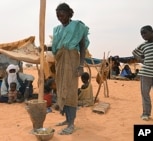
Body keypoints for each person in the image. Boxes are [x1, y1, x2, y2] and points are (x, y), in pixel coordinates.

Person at [52, 3, 89, 135]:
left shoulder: (77, 27)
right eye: (58, 16)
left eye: (62, 15)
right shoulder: (57, 29)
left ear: (69, 13)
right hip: (60, 60)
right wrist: (45, 48)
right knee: (62, 90)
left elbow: (83, 46)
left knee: (71, 91)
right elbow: (55, 47)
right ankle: (67, 120)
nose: (60, 18)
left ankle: (72, 124)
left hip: (72, 59)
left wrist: (80, 65)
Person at [132, 25, 153, 121]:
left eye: (145, 33)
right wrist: (141, 59)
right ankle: (146, 113)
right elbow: (134, 52)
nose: (143, 35)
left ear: (151, 31)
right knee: (145, 94)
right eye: (141, 34)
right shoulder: (143, 45)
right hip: (146, 73)